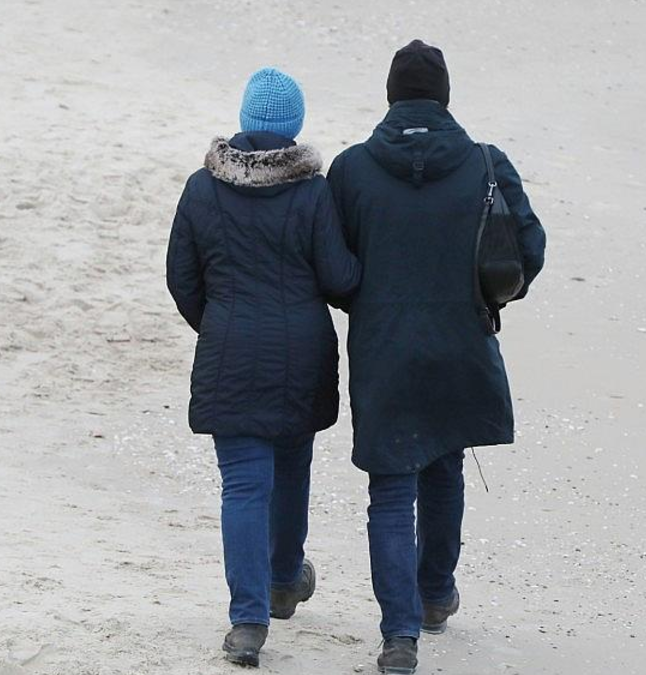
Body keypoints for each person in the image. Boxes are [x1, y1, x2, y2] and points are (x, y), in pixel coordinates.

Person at [326, 40, 546, 674]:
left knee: (391, 490)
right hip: (461, 345)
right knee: (445, 467)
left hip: (382, 350)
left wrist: (368, 306)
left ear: (391, 96)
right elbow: (526, 252)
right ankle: (433, 596)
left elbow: (333, 266)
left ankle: (399, 638)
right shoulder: (485, 163)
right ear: (445, 96)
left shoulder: (352, 170)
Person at [166, 67, 361, 668]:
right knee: (292, 465)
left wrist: (222, 322)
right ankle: (282, 579)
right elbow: (339, 280)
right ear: (294, 128)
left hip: (230, 346)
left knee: (244, 484)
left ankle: (247, 622)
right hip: (300, 349)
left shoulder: (203, 187)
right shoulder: (314, 192)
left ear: (246, 120)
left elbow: (182, 279)